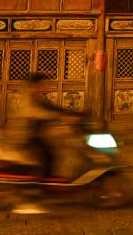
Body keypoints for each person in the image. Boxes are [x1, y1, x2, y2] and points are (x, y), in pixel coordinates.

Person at [9, 72, 84, 215]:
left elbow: (51, 107)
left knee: (53, 155)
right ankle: (27, 202)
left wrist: (73, 113)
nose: (46, 86)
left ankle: (48, 189)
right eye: (43, 84)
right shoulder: (26, 98)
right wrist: (59, 116)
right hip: (23, 138)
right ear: (35, 85)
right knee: (40, 161)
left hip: (35, 136)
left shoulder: (37, 97)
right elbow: (35, 112)